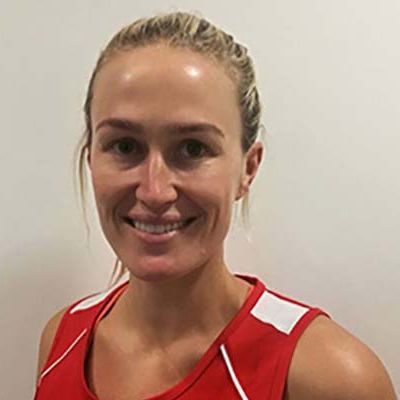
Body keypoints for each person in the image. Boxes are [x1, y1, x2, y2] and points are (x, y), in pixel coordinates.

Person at [34, 11, 397, 400]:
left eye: (193, 148)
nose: (155, 191)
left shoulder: (328, 376)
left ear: (248, 169)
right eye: (124, 146)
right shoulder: (62, 338)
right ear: (91, 158)